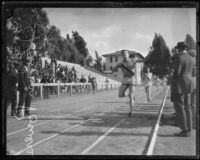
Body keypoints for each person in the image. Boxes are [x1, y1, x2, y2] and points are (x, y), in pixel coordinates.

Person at [103, 50, 143, 117]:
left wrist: (150, 54)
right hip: (125, 80)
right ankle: (130, 95)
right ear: (122, 55)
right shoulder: (120, 64)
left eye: (126, 54)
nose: (125, 55)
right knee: (120, 95)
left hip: (132, 80)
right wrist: (104, 72)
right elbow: (111, 71)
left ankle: (131, 111)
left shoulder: (133, 60)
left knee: (131, 95)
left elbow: (143, 60)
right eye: (123, 54)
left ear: (128, 54)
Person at [171, 42, 195, 137]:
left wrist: (171, 78)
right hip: (189, 83)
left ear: (180, 49)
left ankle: (185, 130)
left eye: (177, 49)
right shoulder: (192, 58)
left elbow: (177, 72)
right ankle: (189, 128)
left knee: (180, 107)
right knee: (187, 107)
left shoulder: (180, 58)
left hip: (179, 85)